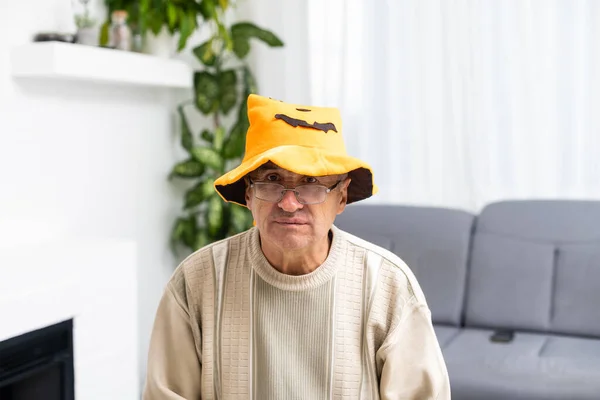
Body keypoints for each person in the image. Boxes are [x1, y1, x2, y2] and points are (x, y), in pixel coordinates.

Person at [142, 94, 451, 399]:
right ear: (249, 194)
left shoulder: (387, 284)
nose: (289, 203)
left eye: (311, 182)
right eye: (272, 178)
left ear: (341, 197)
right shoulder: (197, 280)